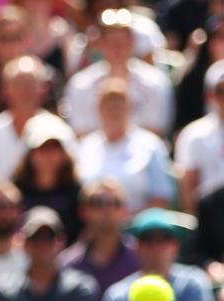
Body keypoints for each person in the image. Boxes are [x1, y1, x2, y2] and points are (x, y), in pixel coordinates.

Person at [64, 8, 174, 137]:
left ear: (132, 43)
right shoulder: (81, 84)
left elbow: (156, 130)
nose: (117, 48)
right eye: (111, 42)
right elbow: (80, 132)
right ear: (100, 44)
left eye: (121, 41)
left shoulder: (155, 82)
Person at [0, 206, 98, 301]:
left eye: (49, 237)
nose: (42, 245)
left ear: (61, 241)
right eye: (35, 238)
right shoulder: (4, 290)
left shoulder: (79, 287)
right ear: (24, 242)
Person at [75, 77, 175, 213]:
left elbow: (161, 197)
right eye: (108, 105)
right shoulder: (86, 147)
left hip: (138, 229)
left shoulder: (150, 144)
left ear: (129, 108)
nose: (114, 110)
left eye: (119, 105)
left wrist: (126, 221)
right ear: (98, 109)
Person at [101, 207, 214, 301]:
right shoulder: (117, 294)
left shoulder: (192, 282)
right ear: (136, 247)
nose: (156, 246)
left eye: (165, 238)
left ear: (176, 245)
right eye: (148, 239)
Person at [0, 55, 71, 181]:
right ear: (5, 90)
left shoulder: (61, 132)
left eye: (31, 83)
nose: (25, 91)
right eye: (18, 83)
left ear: (44, 88)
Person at [59, 180, 140, 301]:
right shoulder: (67, 264)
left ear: (125, 210)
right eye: (97, 203)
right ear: (83, 212)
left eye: (115, 203)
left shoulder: (141, 259)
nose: (107, 209)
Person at [11, 114, 82, 244]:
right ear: (30, 154)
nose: (48, 156)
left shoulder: (76, 191)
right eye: (42, 149)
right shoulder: (15, 190)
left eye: (54, 149)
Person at [176, 59, 224, 215]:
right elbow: (189, 191)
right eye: (221, 91)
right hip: (211, 222)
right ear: (209, 95)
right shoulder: (194, 135)